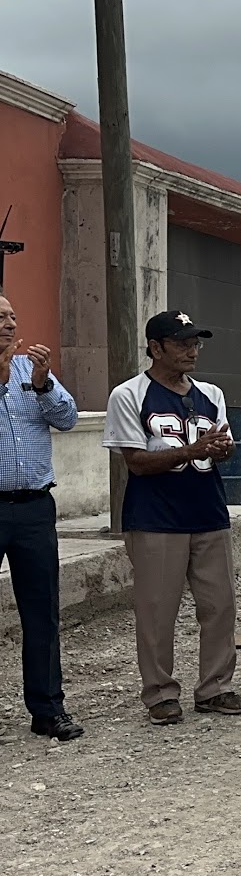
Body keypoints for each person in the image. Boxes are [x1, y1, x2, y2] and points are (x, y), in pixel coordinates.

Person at [103, 310, 241, 726]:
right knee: (156, 611)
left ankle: (215, 687)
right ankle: (160, 693)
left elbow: (223, 446)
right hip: (155, 517)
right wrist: (192, 450)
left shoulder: (210, 393)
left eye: (195, 342)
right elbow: (136, 462)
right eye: (182, 342)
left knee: (220, 606)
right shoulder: (129, 395)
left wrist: (222, 450)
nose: (192, 350)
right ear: (156, 348)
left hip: (208, 510)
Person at [0, 294, 83, 740]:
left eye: (13, 316)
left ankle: (48, 710)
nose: (11, 324)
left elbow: (68, 419)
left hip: (34, 508)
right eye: (1, 318)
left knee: (42, 612)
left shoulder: (30, 373)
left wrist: (44, 382)